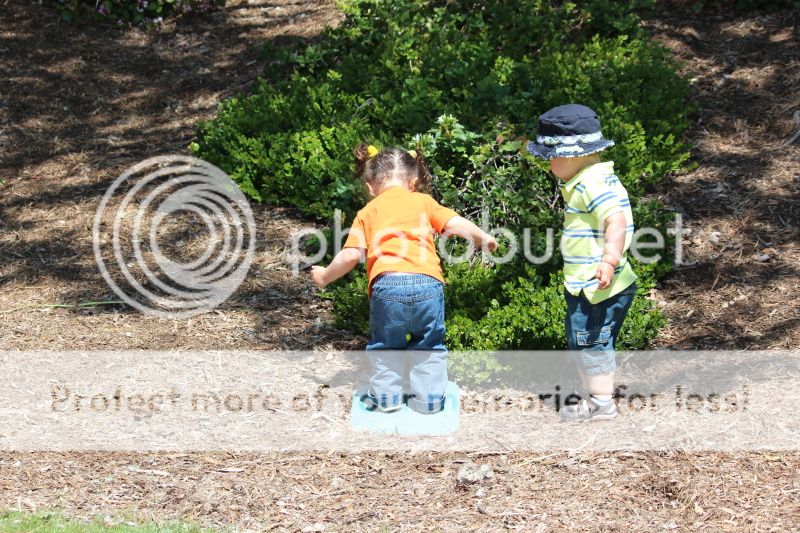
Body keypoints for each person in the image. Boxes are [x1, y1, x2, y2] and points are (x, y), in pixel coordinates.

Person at [310, 143, 497, 414]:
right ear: (414, 181)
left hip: (387, 286)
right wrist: (483, 237)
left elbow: (350, 255)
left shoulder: (368, 212)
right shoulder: (424, 202)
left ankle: (387, 400)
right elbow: (455, 223)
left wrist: (325, 276)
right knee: (428, 346)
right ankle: (429, 402)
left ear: (371, 186)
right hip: (427, 284)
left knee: (387, 347)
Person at [527, 104, 637, 421]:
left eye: (552, 157)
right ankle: (595, 397)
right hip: (589, 285)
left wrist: (609, 260)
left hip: (597, 286)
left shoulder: (592, 185)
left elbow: (616, 220)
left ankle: (602, 404)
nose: (549, 164)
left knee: (592, 343)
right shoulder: (593, 179)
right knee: (584, 340)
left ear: (573, 155)